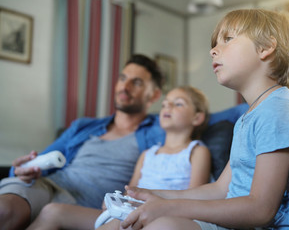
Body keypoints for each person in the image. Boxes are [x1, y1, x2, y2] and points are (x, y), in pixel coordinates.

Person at [99, 9, 289, 230]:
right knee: (120, 224)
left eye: (227, 39)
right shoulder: (250, 117)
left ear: (265, 48)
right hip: (237, 222)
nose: (213, 51)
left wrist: (169, 208)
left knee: (163, 225)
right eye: (215, 44)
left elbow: (261, 209)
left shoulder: (278, 110)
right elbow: (220, 189)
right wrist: (156, 195)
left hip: (259, 224)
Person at [0, 54, 165, 230]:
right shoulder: (84, 126)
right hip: (48, 185)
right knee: (4, 210)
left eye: (137, 82)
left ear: (154, 95)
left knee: (49, 213)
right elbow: (43, 159)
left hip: (82, 205)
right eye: (122, 78)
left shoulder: (159, 132)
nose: (125, 87)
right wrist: (23, 169)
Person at [26, 86, 212, 230]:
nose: (167, 106)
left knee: (115, 225)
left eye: (178, 103)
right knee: (53, 211)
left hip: (160, 216)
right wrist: (113, 201)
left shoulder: (196, 152)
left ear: (197, 118)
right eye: (165, 103)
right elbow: (130, 190)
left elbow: (193, 199)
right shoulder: (147, 154)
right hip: (127, 211)